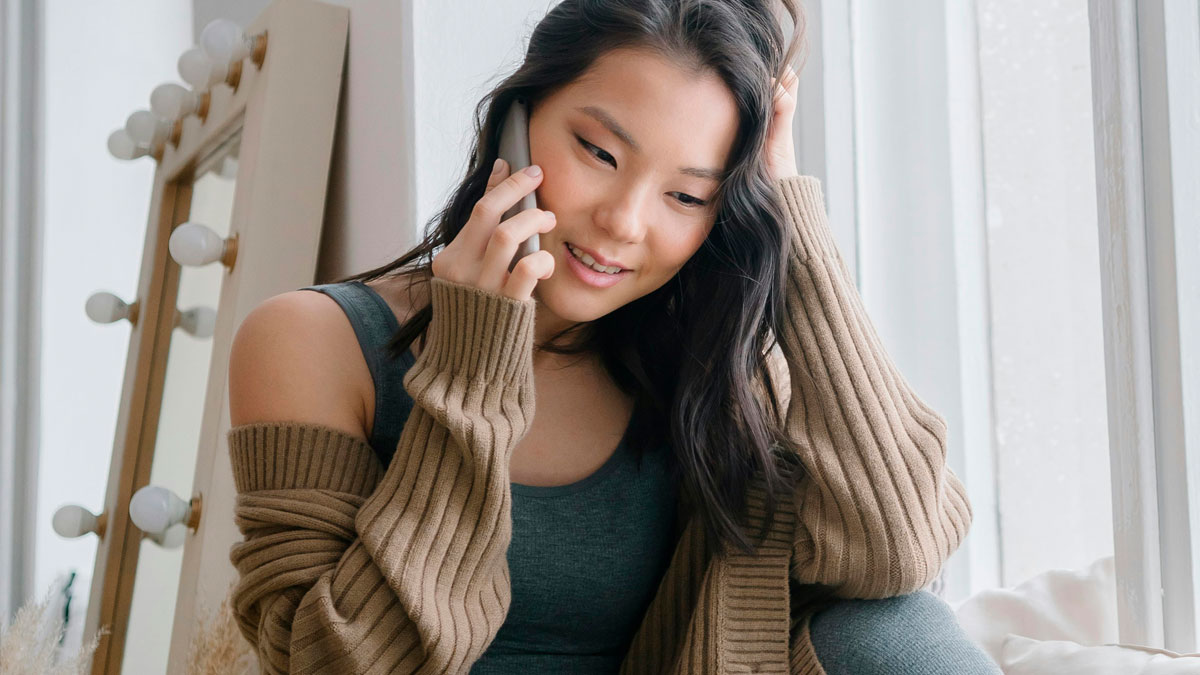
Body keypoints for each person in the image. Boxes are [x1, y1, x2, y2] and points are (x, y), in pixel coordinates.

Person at [224, 0, 1001, 673]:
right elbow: (333, 661)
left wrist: (791, 222)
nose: (624, 222)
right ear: (517, 122)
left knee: (895, 626)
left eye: (686, 196)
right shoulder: (315, 341)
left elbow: (896, 549)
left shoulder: (716, 367)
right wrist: (471, 369)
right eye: (599, 152)